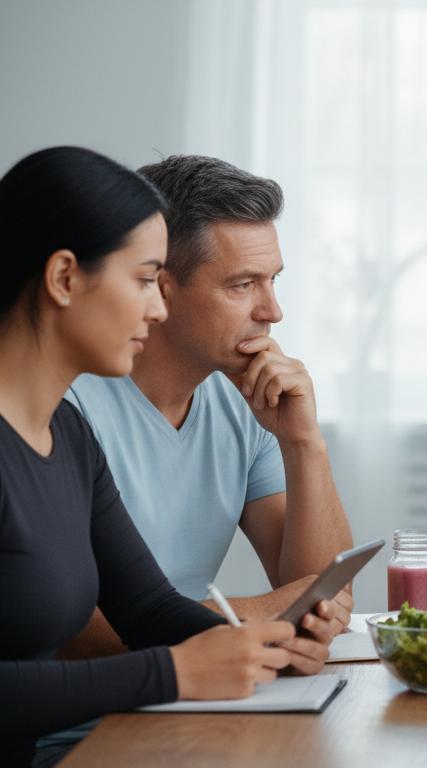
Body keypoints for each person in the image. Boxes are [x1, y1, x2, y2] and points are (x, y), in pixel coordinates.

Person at [0, 146, 331, 766]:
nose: (156, 308)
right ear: (64, 278)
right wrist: (177, 670)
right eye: (144, 280)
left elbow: (148, 608)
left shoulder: (65, 434)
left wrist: (268, 646)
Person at [59, 155, 354, 661]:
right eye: (243, 285)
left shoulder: (245, 400)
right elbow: (67, 629)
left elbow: (321, 596)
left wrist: (303, 442)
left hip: (203, 688)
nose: (273, 311)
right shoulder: (66, 402)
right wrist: (256, 616)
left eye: (273, 280)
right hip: (93, 704)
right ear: (161, 286)